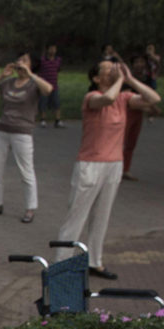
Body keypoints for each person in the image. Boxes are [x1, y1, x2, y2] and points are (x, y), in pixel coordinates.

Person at [54, 60, 160, 280]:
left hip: (114, 164)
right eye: (108, 69)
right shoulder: (91, 98)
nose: (113, 70)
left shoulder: (124, 98)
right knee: (76, 216)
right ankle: (61, 264)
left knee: (102, 216)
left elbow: (154, 99)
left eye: (115, 68)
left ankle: (95, 261)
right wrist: (121, 80)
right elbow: (108, 98)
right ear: (96, 78)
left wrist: (130, 79)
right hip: (90, 164)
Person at [0, 52, 53, 223]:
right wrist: (1, 75)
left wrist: (31, 75)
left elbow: (48, 90)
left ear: (31, 65)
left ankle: (30, 208)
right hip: (3, 130)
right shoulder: (8, 83)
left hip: (22, 132)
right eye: (19, 60)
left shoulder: (33, 84)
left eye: (24, 60)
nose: (20, 63)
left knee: (26, 172)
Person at [37, 44, 64, 128]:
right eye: (51, 49)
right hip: (44, 85)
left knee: (56, 103)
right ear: (47, 50)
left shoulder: (58, 60)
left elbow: (58, 69)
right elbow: (38, 70)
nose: (53, 51)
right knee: (43, 103)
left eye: (54, 49)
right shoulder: (42, 60)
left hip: (54, 85)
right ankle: (43, 120)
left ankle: (57, 120)